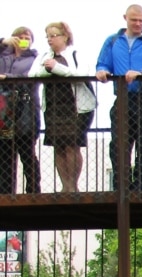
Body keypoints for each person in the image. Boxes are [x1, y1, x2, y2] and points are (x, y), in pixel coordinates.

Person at [95, 5, 142, 191]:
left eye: (141, 20)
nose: (138, 24)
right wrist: (102, 71)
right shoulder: (113, 41)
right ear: (125, 18)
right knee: (119, 143)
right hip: (123, 98)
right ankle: (121, 183)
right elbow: (102, 63)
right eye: (134, 20)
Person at [31, 21, 96, 192]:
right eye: (48, 36)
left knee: (72, 144)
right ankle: (64, 186)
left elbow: (81, 73)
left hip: (76, 108)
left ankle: (72, 186)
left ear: (65, 36)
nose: (50, 40)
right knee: (58, 145)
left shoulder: (76, 53)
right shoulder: (44, 55)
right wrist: (49, 68)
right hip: (53, 107)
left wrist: (56, 67)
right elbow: (33, 74)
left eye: (54, 35)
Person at [0, 28, 42, 194]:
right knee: (5, 152)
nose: (24, 40)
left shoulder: (36, 58)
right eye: (20, 37)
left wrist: (7, 78)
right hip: (4, 111)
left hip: (26, 109)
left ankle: (33, 190)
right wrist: (4, 41)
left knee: (27, 151)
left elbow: (32, 77)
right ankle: (5, 192)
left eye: (27, 38)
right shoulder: (3, 55)